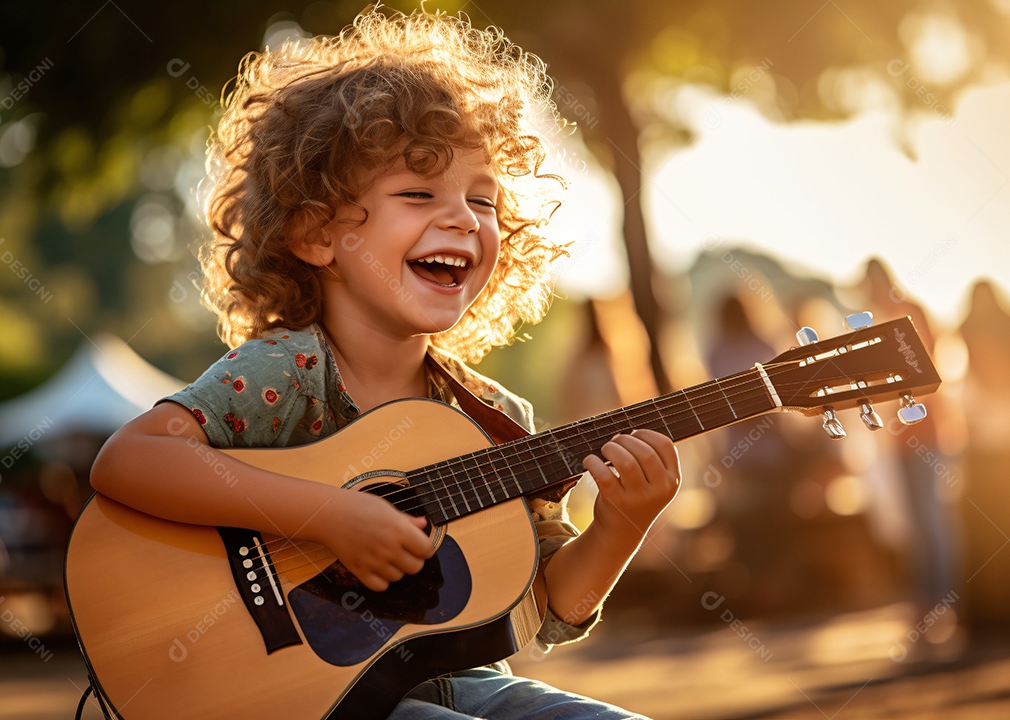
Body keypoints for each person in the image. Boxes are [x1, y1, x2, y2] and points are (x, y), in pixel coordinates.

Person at [90, 7, 681, 719]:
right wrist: (333, 517)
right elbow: (129, 461)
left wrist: (623, 524)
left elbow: (551, 611)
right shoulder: (287, 371)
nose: (464, 217)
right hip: (296, 699)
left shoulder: (492, 418)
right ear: (315, 233)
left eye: (483, 199)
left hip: (464, 684)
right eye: (417, 193)